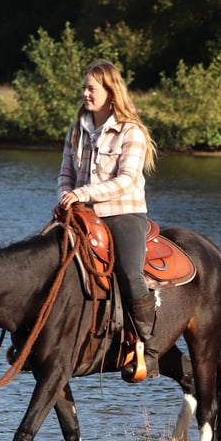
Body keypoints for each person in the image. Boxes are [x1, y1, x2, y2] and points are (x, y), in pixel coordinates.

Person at [53, 59, 160, 381]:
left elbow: (128, 178)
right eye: (84, 87)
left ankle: (149, 348)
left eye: (91, 88)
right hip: (80, 213)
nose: (85, 93)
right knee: (43, 261)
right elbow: (65, 172)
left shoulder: (131, 132)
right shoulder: (77, 130)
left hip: (122, 212)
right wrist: (65, 197)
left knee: (128, 273)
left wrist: (83, 193)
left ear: (111, 93)